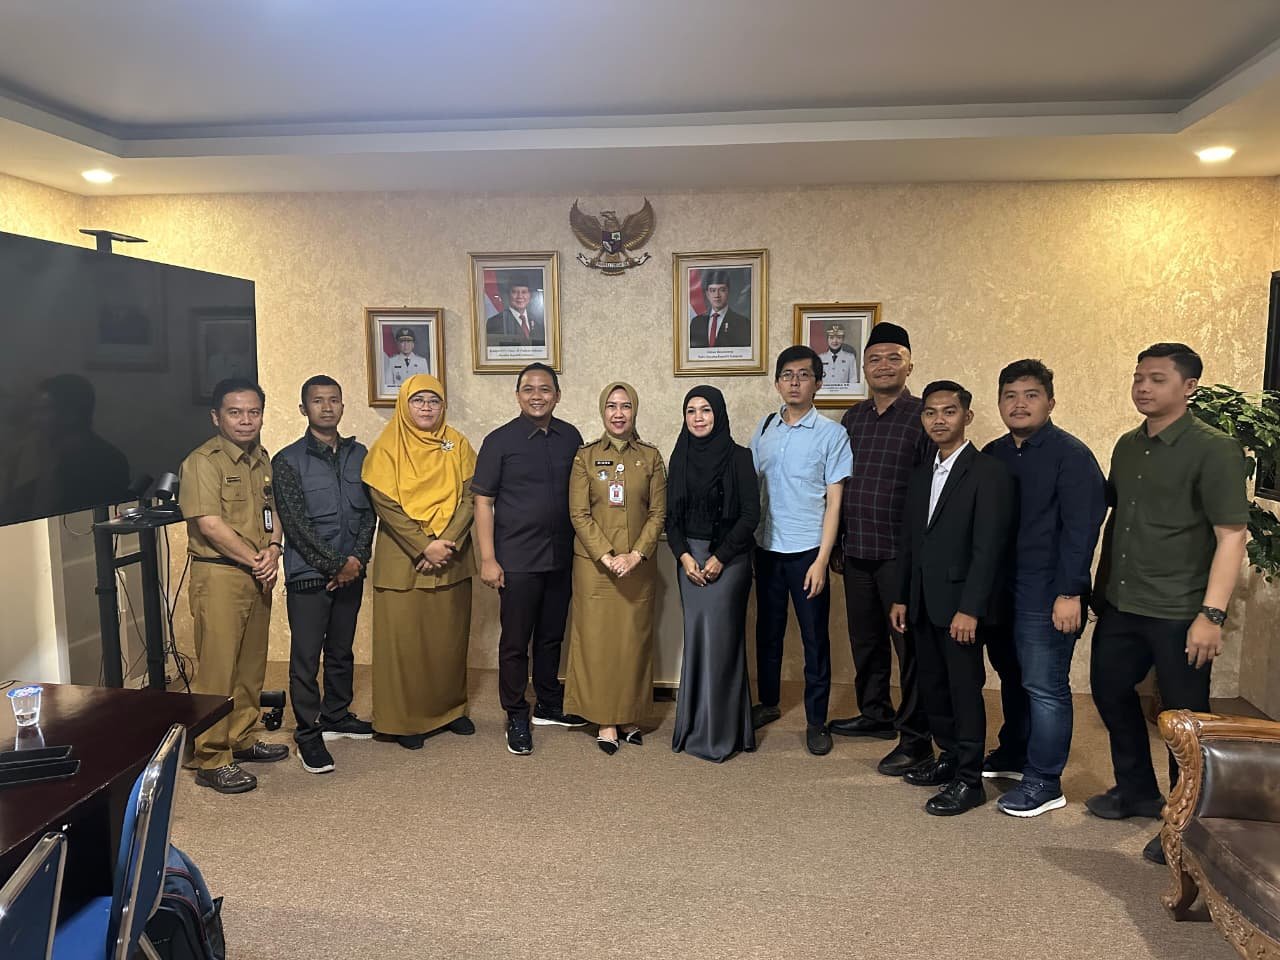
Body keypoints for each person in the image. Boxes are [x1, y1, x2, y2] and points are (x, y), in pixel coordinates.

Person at [1087, 343, 1248, 864]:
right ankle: (1135, 789)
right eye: (1139, 377)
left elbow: (1231, 536)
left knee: (1184, 721)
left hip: (1181, 610)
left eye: (1157, 379)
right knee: (1109, 690)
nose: (1143, 387)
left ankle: (1186, 823)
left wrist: (1212, 615)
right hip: (1123, 601)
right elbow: (1119, 520)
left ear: (1188, 387)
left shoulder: (1215, 449)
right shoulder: (1127, 445)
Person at [981, 360, 1107, 816]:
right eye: (1010, 395)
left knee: (1045, 685)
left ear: (1050, 402)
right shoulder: (993, 453)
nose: (1019, 404)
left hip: (1049, 592)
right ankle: (1015, 752)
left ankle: (1044, 780)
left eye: (1030, 395)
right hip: (1002, 591)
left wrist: (1070, 593)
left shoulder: (1071, 455)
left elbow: (1082, 529)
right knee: (1011, 676)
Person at [890, 380, 1013, 816]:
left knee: (963, 690)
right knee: (933, 686)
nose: (938, 420)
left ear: (967, 416)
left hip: (961, 607)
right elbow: (910, 542)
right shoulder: (922, 473)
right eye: (930, 413)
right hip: (922, 601)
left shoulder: (989, 472)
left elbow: (989, 548)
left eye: (949, 411)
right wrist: (901, 596)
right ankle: (948, 757)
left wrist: (971, 608)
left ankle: (969, 779)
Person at [828, 322, 935, 778]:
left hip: (900, 555)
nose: (884, 366)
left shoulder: (924, 415)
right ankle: (875, 712)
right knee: (866, 640)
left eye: (894, 358)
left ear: (910, 365)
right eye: (875, 359)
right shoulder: (852, 418)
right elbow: (840, 482)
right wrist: (838, 541)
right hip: (857, 550)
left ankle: (917, 735)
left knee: (909, 648)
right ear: (864, 368)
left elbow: (933, 489)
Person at [178, 377, 288, 795]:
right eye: (235, 412)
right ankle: (210, 756)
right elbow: (209, 524)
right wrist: (256, 560)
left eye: (253, 412)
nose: (246, 420)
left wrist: (274, 548)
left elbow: (273, 512)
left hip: (258, 572)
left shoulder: (261, 458)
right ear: (216, 417)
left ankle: (240, 736)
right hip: (221, 574)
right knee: (218, 668)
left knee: (250, 664)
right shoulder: (202, 462)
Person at [472, 362, 587, 755]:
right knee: (516, 641)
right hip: (517, 558)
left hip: (561, 555)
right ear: (518, 395)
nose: (537, 396)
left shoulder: (571, 437)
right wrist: (488, 558)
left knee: (553, 634)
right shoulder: (499, 441)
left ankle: (549, 702)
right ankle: (516, 712)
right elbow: (483, 502)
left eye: (545, 389)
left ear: (557, 395)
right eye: (529, 389)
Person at [363, 374, 478, 749]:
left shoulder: (457, 444)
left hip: (450, 557)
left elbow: (470, 498)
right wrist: (424, 546)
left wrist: (446, 543)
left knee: (448, 641)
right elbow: (385, 505)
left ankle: (450, 711)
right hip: (404, 562)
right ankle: (404, 721)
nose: (427, 407)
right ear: (404, 405)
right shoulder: (386, 447)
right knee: (405, 646)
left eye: (434, 400)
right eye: (418, 400)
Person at [271, 374, 377, 775]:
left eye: (334, 400)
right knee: (306, 656)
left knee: (342, 649)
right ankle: (308, 732)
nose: (327, 407)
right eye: (318, 401)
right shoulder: (287, 460)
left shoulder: (359, 455)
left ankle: (337, 714)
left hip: (351, 571)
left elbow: (369, 514)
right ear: (304, 409)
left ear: (343, 406)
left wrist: (356, 561)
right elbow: (296, 524)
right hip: (309, 574)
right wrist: (336, 565)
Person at [750, 346, 853, 756]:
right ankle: (769, 702)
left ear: (818, 383)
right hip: (766, 547)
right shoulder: (765, 428)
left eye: (804, 375)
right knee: (768, 632)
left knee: (814, 640)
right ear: (777, 383)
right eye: (787, 375)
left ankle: (816, 721)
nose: (794, 382)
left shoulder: (832, 434)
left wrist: (823, 560)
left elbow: (835, 502)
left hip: (808, 551)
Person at [564, 383, 667, 754]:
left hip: (637, 568)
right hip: (595, 568)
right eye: (611, 406)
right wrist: (607, 556)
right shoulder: (585, 457)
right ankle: (605, 718)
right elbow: (579, 513)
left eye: (625, 406)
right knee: (598, 643)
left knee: (632, 643)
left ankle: (630, 715)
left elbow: (658, 513)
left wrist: (636, 555)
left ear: (634, 410)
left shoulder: (651, 457)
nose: (618, 413)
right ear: (602, 411)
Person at [667, 386, 760, 762]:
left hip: (730, 560)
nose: (698, 417)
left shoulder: (740, 457)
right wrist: (684, 557)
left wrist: (720, 557)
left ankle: (721, 734)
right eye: (691, 411)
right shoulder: (680, 457)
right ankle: (694, 726)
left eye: (705, 410)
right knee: (697, 640)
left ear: (718, 414)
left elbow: (751, 515)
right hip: (690, 560)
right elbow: (671, 519)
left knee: (721, 644)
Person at [689, 270, 750, 348]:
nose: (717, 295)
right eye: (713, 290)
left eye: (722, 290)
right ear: (707, 294)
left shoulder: (743, 323)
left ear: (728, 292)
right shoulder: (696, 323)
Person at [486, 272, 545, 347]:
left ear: (529, 295)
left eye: (524, 292)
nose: (520, 296)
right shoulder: (494, 323)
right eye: (515, 292)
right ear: (508, 295)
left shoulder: (538, 322)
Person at [821, 323, 858, 388]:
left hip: (845, 393)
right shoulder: (820, 358)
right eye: (831, 338)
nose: (835, 341)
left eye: (839, 338)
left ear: (843, 339)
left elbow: (853, 381)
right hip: (824, 393)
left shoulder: (850, 358)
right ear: (827, 339)